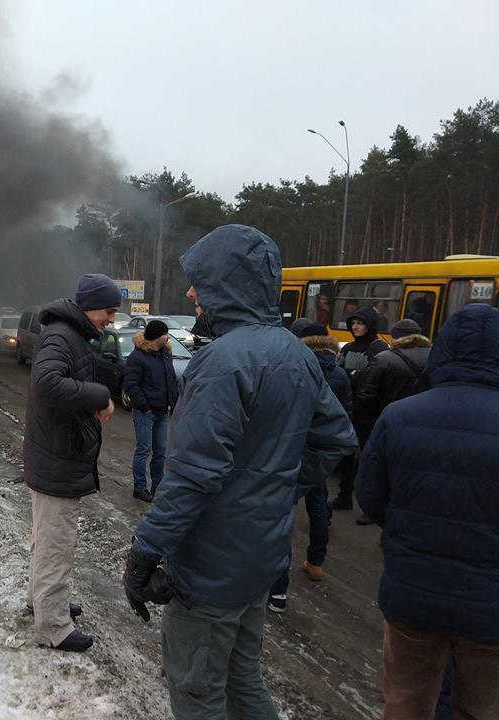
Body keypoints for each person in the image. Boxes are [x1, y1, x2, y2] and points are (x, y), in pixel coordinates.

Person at [120, 225, 357, 718]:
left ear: (227, 285)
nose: (190, 293)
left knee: (196, 690)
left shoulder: (221, 362)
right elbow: (337, 437)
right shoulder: (297, 354)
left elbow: (192, 475)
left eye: (199, 282)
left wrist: (145, 550)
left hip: (209, 566)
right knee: (243, 681)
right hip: (260, 557)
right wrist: (277, 487)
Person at [356, 303, 499, 720]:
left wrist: (407, 528)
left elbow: (371, 496)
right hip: (490, 603)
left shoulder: (399, 416)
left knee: (406, 702)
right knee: (480, 708)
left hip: (411, 592)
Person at [24, 273, 118, 653]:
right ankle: (53, 627)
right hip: (56, 459)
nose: (111, 318)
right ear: (91, 305)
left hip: (55, 455)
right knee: (55, 544)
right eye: (109, 310)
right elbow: (46, 384)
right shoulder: (62, 335)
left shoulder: (68, 333)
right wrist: (98, 395)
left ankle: (43, 601)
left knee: (46, 540)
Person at [268, 320, 353, 611]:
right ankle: (316, 561)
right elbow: (344, 421)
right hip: (317, 457)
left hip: (290, 450)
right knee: (318, 507)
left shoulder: (292, 366)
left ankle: (278, 590)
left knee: (279, 519)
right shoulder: (339, 372)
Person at [331, 307, 389, 520]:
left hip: (369, 411)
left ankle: (369, 507)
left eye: (360, 323)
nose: (355, 327)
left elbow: (374, 378)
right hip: (349, 407)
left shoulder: (379, 348)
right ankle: (345, 495)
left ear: (370, 325)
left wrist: (354, 376)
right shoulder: (349, 347)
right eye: (353, 323)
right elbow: (340, 372)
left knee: (368, 457)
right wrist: (353, 376)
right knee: (347, 453)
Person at [123, 319, 179, 502]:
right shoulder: (137, 357)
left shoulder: (165, 354)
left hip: (162, 412)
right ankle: (139, 488)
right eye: (165, 333)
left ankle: (158, 486)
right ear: (156, 336)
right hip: (144, 413)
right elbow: (131, 385)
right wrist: (144, 407)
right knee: (143, 450)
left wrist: (173, 401)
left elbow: (170, 379)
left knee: (160, 451)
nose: (167, 336)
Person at [354, 318, 432, 442]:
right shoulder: (434, 357)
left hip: (389, 422)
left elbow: (365, 395)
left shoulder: (384, 359)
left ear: (394, 337)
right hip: (424, 423)